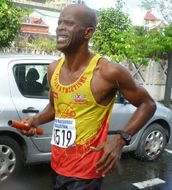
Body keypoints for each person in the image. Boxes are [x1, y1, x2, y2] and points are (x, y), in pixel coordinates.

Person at [20, 4, 157, 190]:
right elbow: (54, 108)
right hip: (58, 164)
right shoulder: (53, 69)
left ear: (88, 32)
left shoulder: (107, 72)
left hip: (87, 173)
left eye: (68, 23)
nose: (60, 27)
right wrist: (35, 120)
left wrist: (120, 138)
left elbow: (148, 104)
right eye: (59, 22)